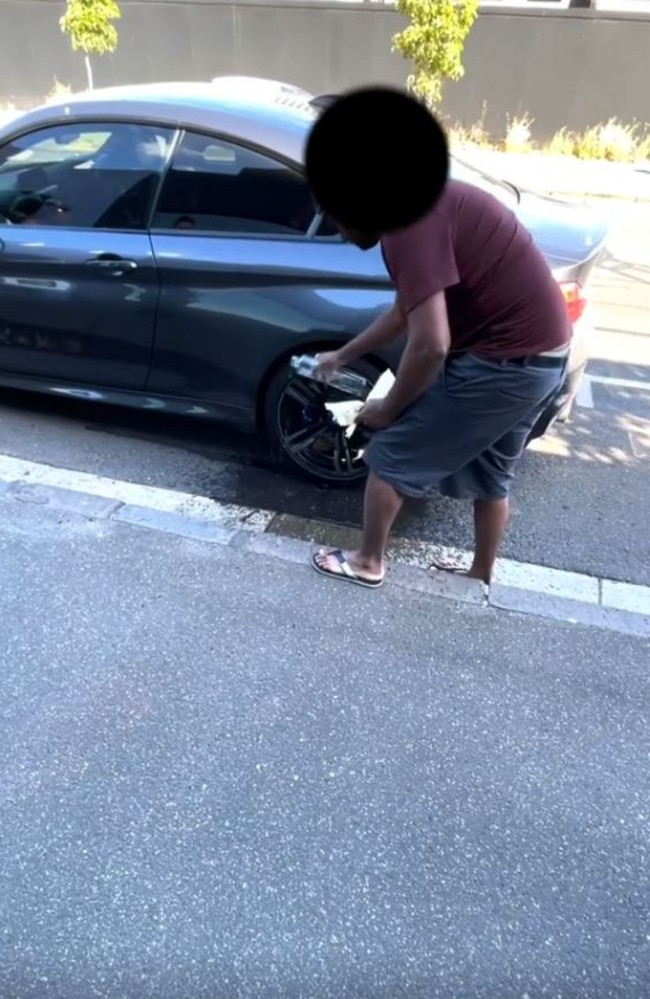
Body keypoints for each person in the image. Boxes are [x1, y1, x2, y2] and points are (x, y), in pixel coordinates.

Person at [311, 178, 572, 589]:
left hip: (502, 364)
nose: (341, 233)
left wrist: (389, 408)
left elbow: (432, 346)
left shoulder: (406, 229)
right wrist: (343, 356)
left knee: (390, 456)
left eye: (337, 220)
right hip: (544, 358)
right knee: (492, 474)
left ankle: (367, 562)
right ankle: (481, 573)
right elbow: (403, 314)